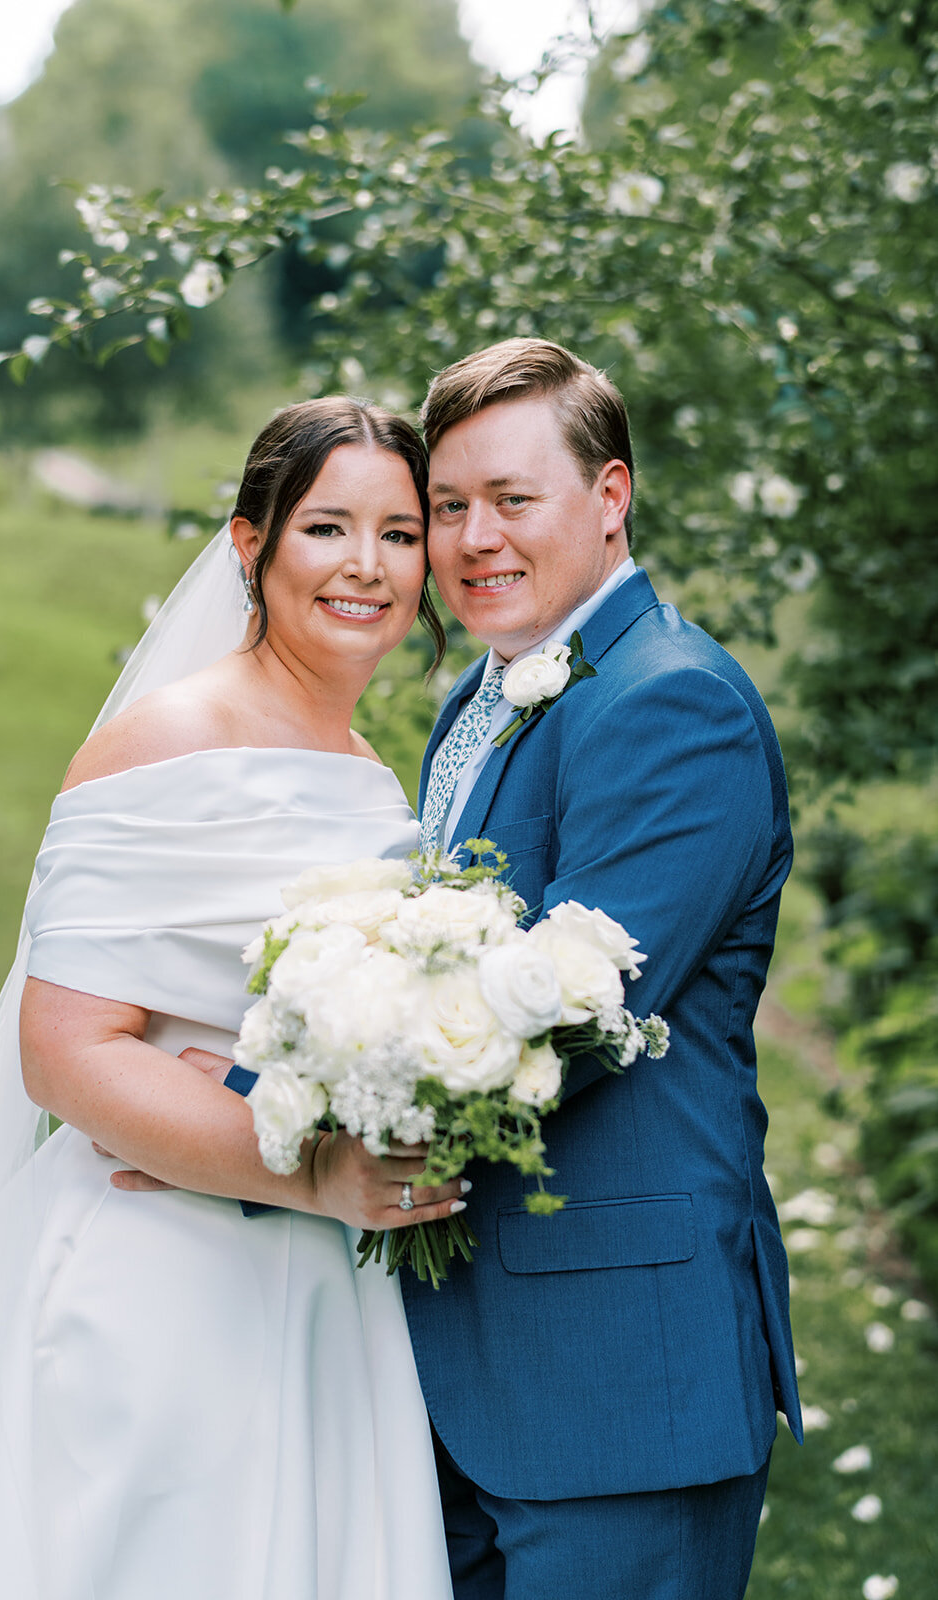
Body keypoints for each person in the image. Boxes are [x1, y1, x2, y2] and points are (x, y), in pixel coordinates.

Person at [0, 398, 460, 1599]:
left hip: (321, 1302)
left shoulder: (370, 776)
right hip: (167, 1286)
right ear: (250, 545)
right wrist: (309, 1169)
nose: (366, 566)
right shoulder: (166, 745)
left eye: (398, 535)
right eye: (327, 528)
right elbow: (66, 1050)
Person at [397, 338, 804, 1599]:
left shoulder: (670, 701)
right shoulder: (488, 694)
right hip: (469, 1359)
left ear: (609, 496)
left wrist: (260, 1124)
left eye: (511, 500)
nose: (473, 538)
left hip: (618, 1374)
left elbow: (563, 1016)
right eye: (448, 507)